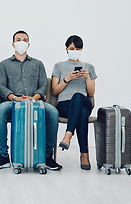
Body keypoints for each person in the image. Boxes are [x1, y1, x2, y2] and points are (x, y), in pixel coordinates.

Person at [0, 30, 62, 171]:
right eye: (18, 39)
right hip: (12, 103)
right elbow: (1, 85)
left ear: (28, 44)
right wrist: (15, 98)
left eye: (24, 39)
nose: (21, 42)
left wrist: (34, 98)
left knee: (52, 111)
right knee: (0, 110)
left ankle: (47, 156)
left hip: (35, 102)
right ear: (13, 43)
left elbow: (43, 85)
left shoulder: (38, 64)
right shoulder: (4, 64)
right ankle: (3, 155)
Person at [52, 35, 97, 170]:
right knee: (82, 113)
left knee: (78, 96)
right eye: (72, 48)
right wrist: (67, 79)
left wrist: (88, 78)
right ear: (66, 49)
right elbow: (54, 91)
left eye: (78, 48)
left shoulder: (89, 67)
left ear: (81, 49)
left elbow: (91, 93)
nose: (75, 50)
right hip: (64, 105)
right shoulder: (59, 66)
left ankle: (68, 134)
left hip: (84, 101)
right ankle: (84, 155)